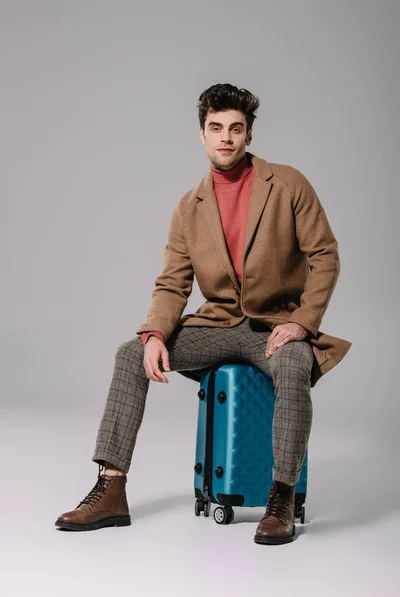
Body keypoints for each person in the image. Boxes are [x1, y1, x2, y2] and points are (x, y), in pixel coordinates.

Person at [55, 83, 351, 545]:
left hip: (273, 327)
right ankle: (111, 489)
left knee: (294, 361)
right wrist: (154, 332)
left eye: (236, 129)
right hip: (216, 327)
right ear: (202, 135)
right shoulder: (188, 209)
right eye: (216, 129)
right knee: (131, 354)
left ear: (249, 135)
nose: (226, 138)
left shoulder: (288, 184)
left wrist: (302, 322)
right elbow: (173, 283)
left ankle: (282, 498)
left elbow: (325, 256)